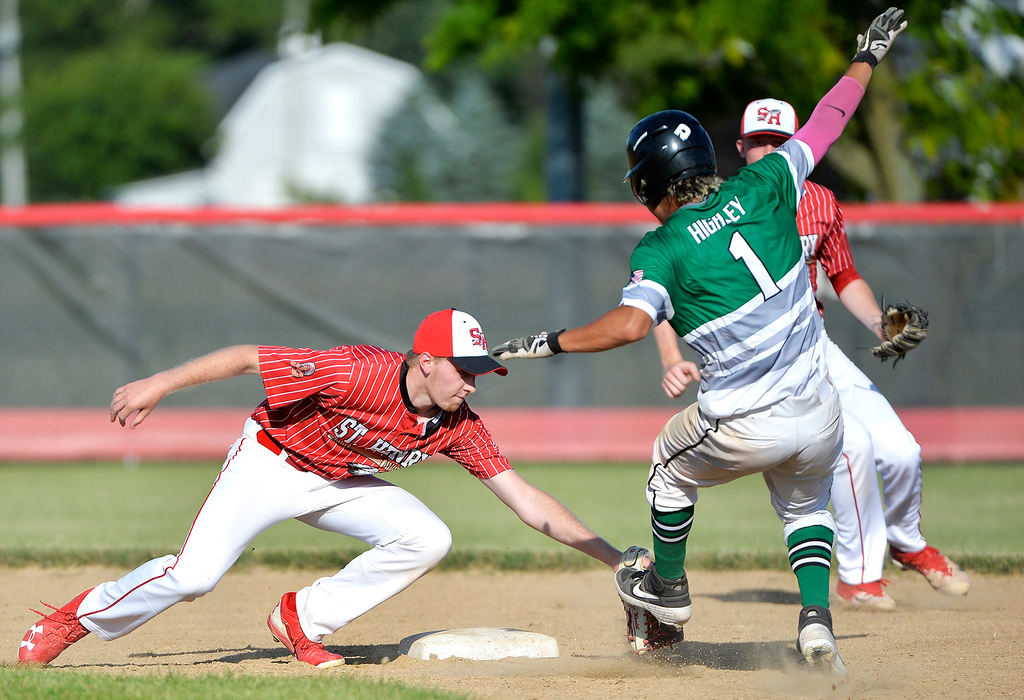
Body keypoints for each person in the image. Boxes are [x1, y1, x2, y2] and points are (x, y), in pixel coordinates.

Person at [493, 8, 910, 676]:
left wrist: (547, 343)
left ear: (653, 184)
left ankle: (670, 588)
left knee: (666, 462)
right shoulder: (769, 182)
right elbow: (828, 120)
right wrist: (869, 54)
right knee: (805, 505)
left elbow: (630, 325)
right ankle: (815, 626)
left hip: (743, 421)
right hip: (820, 414)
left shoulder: (662, 247)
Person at [18, 308, 623, 668]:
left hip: (337, 481)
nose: (473, 385)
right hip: (271, 462)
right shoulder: (357, 369)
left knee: (427, 536)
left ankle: (303, 618)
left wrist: (614, 559)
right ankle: (77, 618)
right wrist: (160, 382)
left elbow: (526, 501)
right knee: (194, 577)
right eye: (465, 372)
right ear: (426, 361)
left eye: (481, 373)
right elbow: (249, 357)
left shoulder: (458, 425)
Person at [654, 97, 969, 611]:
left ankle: (909, 543)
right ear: (741, 147)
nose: (770, 150)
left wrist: (880, 323)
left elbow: (842, 276)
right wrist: (671, 358)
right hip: (765, 365)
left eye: (780, 142)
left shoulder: (820, 201)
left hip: (816, 345)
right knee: (852, 449)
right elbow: (665, 293)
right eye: (760, 141)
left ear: (798, 144)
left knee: (901, 449)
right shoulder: (732, 204)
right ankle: (860, 578)